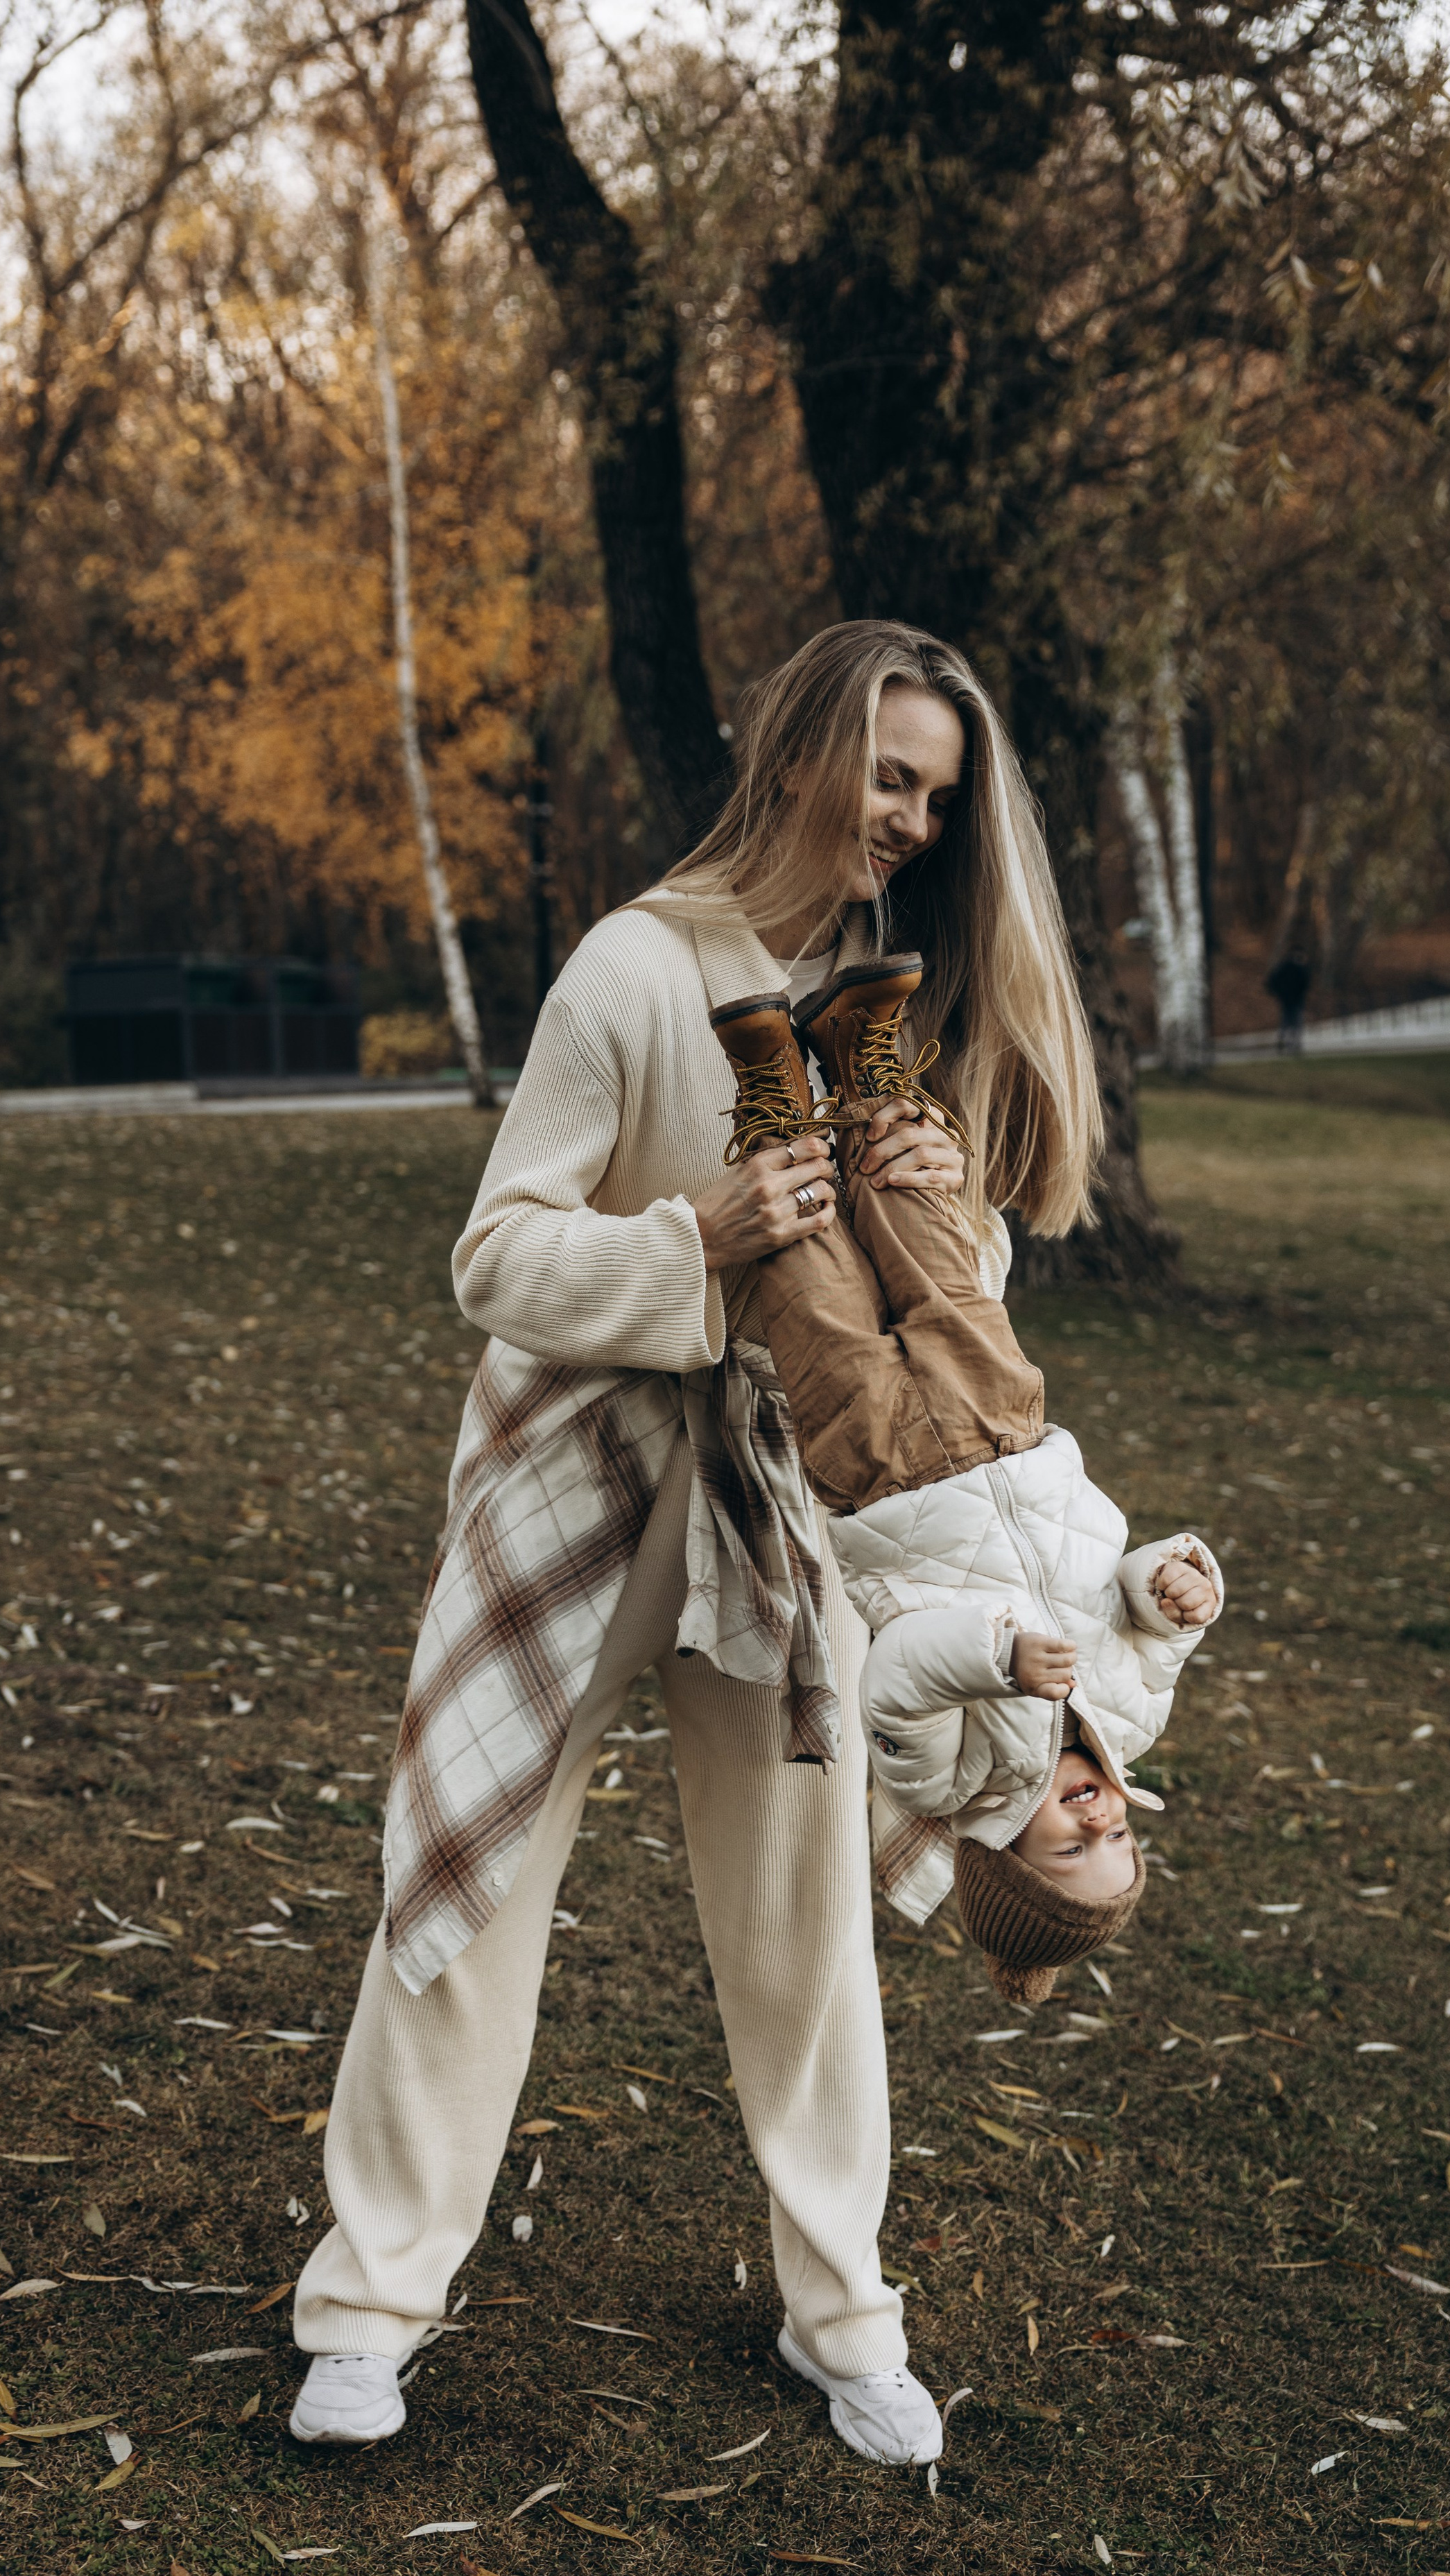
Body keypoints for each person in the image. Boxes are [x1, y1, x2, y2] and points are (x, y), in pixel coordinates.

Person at [287, 619, 1103, 2470]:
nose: (909, 820)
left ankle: (847, 2317)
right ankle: (366, 2307)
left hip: (776, 1500)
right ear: (809, 754)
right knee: (472, 1889)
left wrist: (938, 1226)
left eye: (938, 796)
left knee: (802, 1914)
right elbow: (491, 1257)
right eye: (890, 777)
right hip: (574, 1478)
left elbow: (958, 1315)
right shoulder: (637, 970)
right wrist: (699, 1238)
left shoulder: (898, 998)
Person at [708, 957, 1222, 2000]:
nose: (1099, 1816)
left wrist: (993, 1659)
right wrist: (1176, 1591)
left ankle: (768, 1092)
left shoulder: (946, 1781)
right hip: (1013, 1433)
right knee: (931, 1244)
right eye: (1119, 1834)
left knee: (815, 1275)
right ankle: (867, 1064)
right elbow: (1139, 1618)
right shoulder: (1131, 1720)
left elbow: (895, 1673)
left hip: (878, 1468)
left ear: (997, 1854)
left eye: (1072, 1848)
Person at [1265, 946, 1311, 1054]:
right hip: (1296, 1000)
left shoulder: (1283, 967)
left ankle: (1283, 1040)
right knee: (1296, 1022)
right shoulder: (1300, 969)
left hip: (1286, 999)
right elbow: (1305, 984)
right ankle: (1294, 1042)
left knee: (1286, 1021)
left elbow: (1272, 980)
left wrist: (1278, 993)